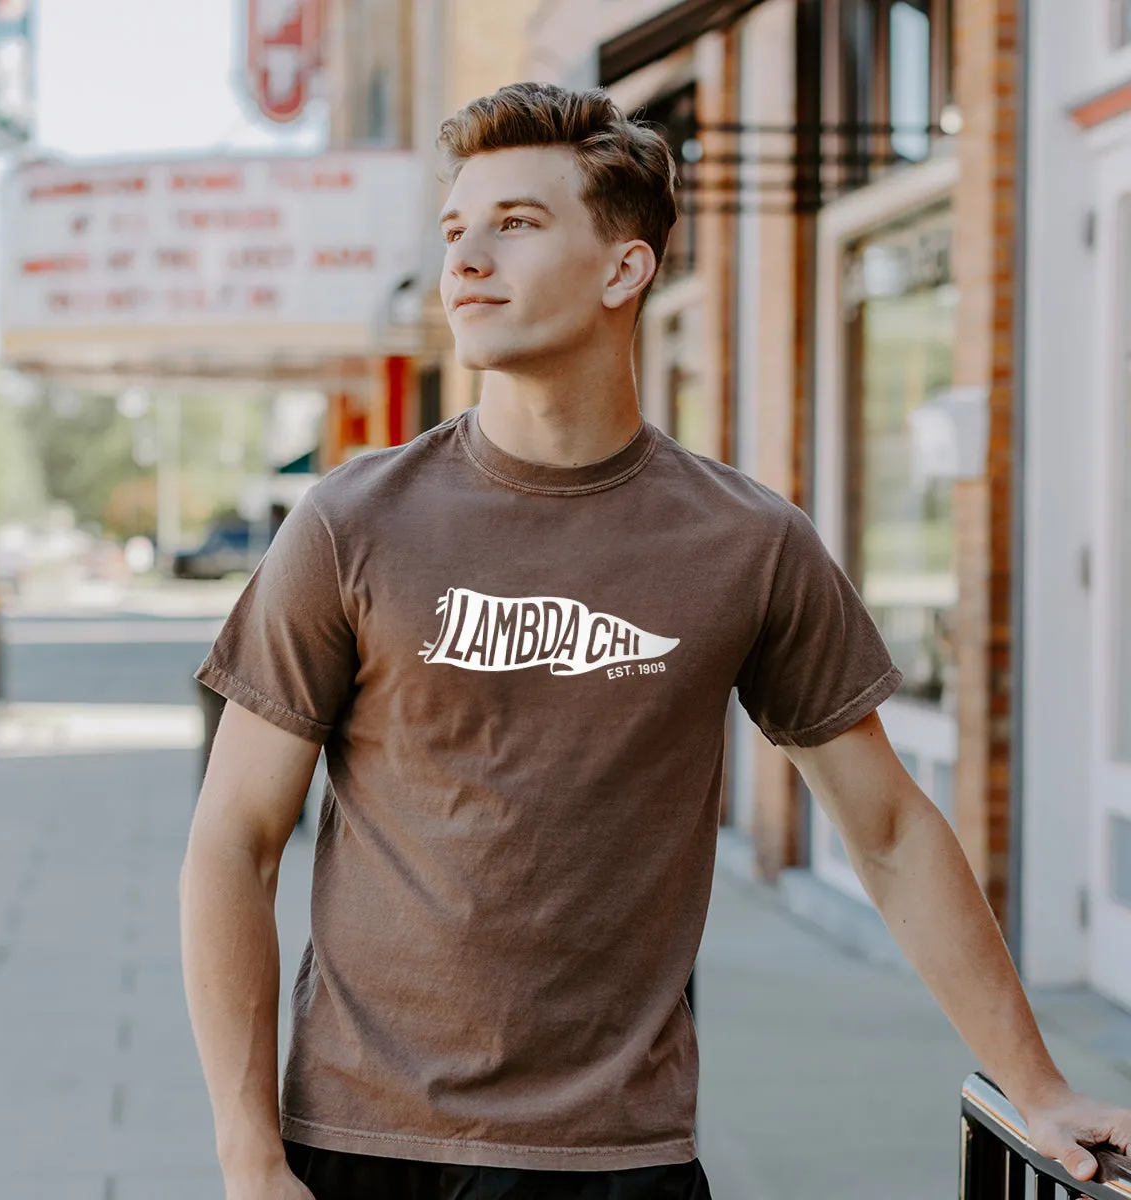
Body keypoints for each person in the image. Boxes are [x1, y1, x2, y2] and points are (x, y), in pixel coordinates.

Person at [179, 83, 1131, 1200]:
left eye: (517, 225)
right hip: (366, 1146)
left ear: (625, 270)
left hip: (622, 1160)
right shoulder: (351, 522)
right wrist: (248, 1153)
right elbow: (235, 839)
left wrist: (1040, 1082)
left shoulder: (746, 543)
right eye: (455, 230)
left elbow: (886, 830)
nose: (467, 258)